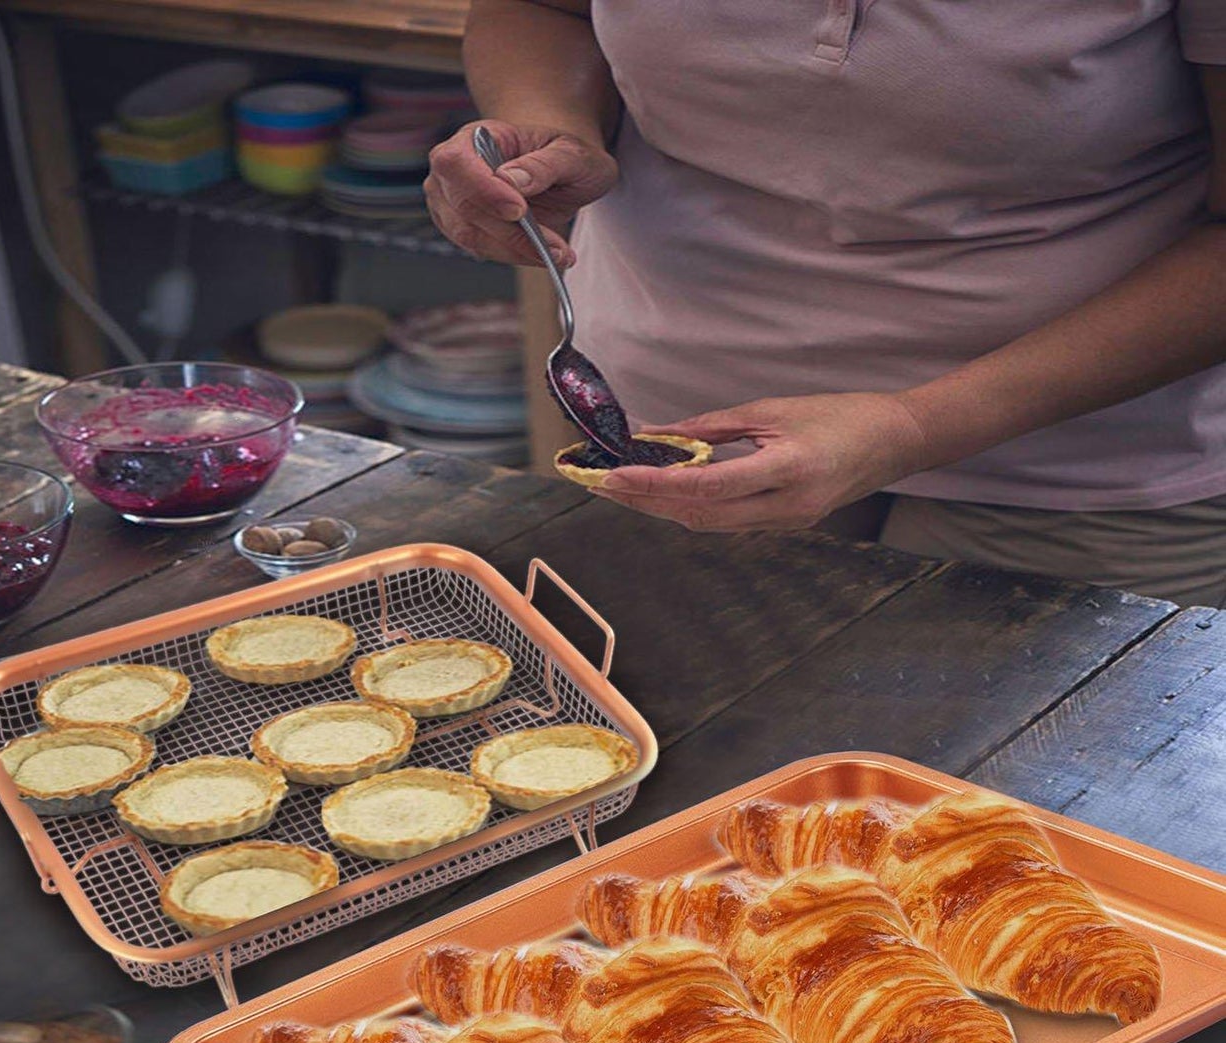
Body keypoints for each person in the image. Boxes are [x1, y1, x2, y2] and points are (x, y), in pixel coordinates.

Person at [424, 1, 1226, 607]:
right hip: (680, 423)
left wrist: (912, 425)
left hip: (1081, 461)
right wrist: (551, 124)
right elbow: (545, 9)